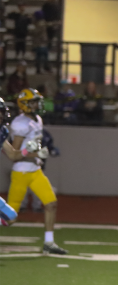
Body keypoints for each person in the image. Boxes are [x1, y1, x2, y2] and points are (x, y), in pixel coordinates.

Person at [4, 89, 68, 254]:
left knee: (51, 203)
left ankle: (49, 243)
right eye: (32, 102)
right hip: (21, 173)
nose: (36, 105)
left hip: (35, 171)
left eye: (36, 102)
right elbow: (14, 154)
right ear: (24, 105)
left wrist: (39, 153)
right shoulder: (20, 123)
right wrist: (36, 153)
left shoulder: (37, 119)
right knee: (10, 217)